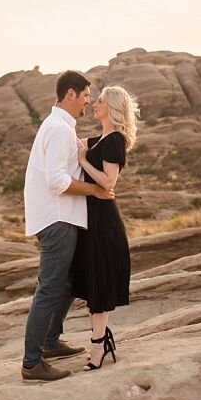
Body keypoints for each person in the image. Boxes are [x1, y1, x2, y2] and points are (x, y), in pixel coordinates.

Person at [21, 71, 115, 382]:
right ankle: (32, 362)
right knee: (50, 288)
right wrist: (96, 191)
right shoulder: (59, 129)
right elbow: (56, 180)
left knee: (65, 284)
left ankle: (49, 342)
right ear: (71, 94)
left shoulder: (60, 126)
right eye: (87, 95)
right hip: (57, 218)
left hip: (60, 216)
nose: (89, 101)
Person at [70, 85, 139, 370]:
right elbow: (73, 141)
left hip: (103, 221)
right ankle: (101, 339)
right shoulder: (101, 139)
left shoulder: (115, 141)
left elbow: (109, 183)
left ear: (110, 107)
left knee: (99, 287)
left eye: (98, 101)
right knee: (92, 285)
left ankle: (98, 347)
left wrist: (84, 160)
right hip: (92, 219)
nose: (94, 104)